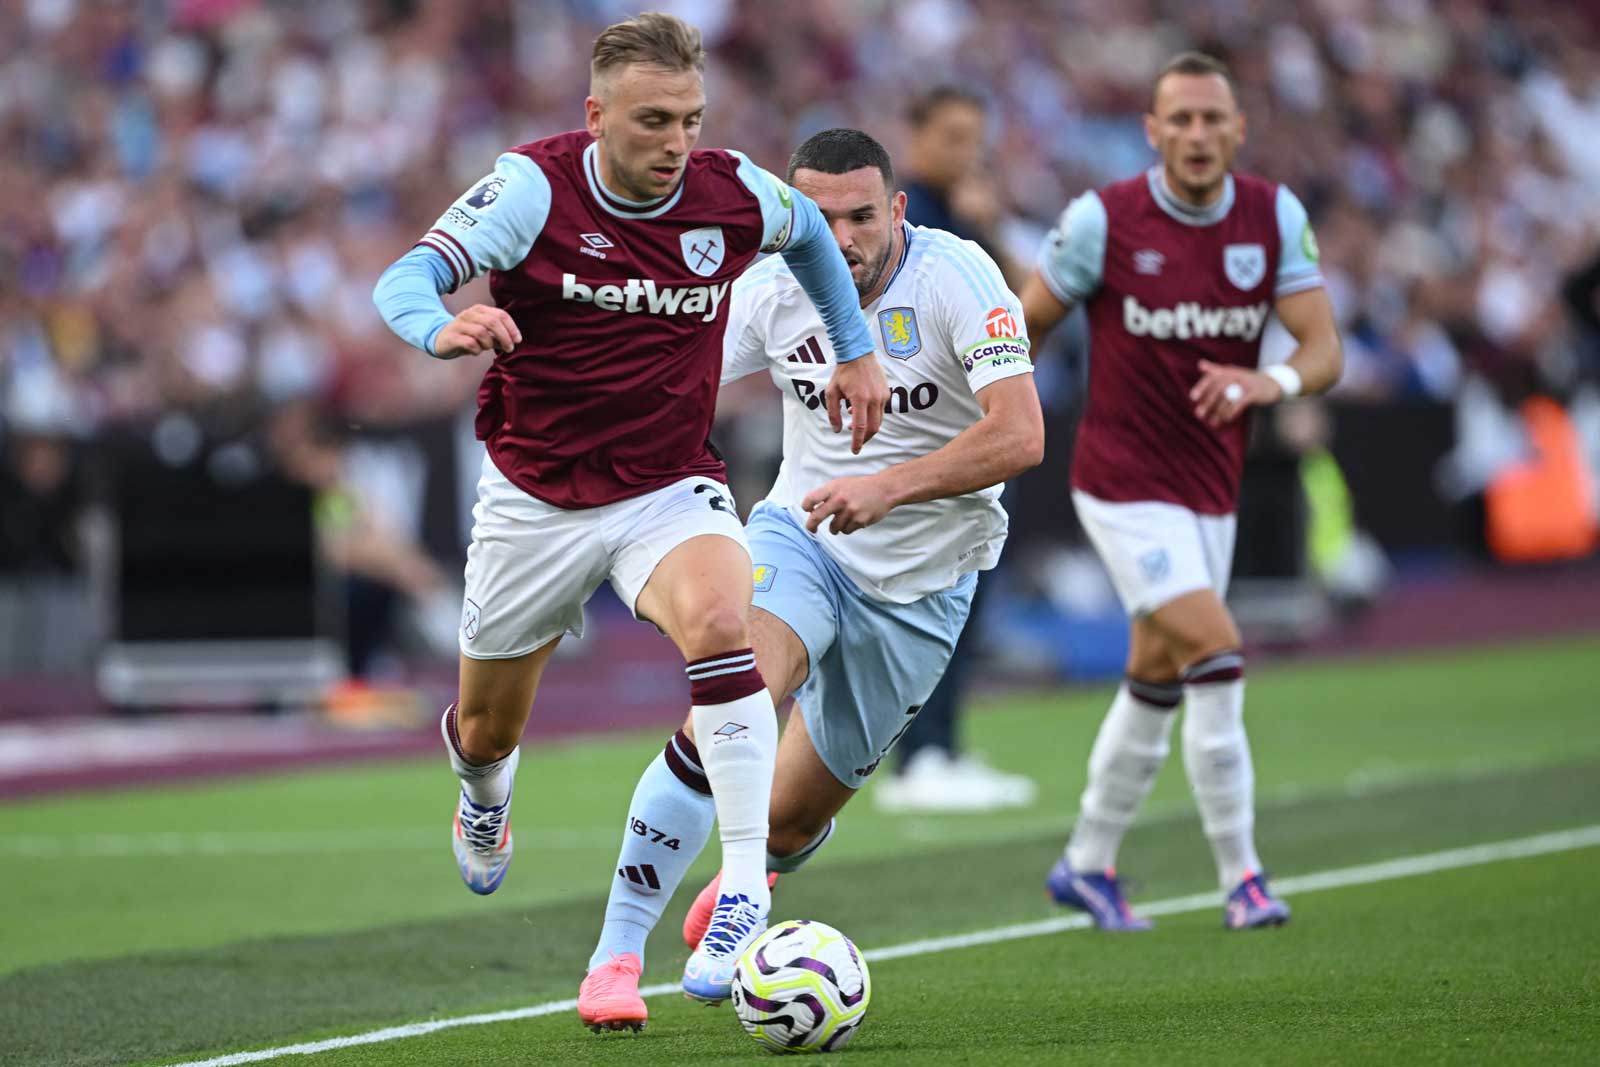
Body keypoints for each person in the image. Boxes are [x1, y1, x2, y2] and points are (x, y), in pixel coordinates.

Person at [370, 8, 889, 1011]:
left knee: (721, 620)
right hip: (536, 494)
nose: (675, 143)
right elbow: (406, 276)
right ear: (596, 112)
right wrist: (441, 327)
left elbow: (815, 241)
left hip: (666, 483)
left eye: (690, 119)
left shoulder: (731, 191)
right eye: (653, 120)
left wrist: (855, 345)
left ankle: (741, 883)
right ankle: (483, 797)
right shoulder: (530, 188)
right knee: (485, 725)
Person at [577, 127, 1042, 1028]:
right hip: (803, 536)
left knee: (788, 820)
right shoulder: (772, 290)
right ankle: (615, 958)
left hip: (921, 588)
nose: (843, 237)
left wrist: (888, 487)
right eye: (819, 219)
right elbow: (668, 378)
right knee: (731, 696)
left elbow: (1021, 435)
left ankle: (757, 868)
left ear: (897, 210)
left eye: (862, 215)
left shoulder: (959, 278)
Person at [1019, 52, 1343, 931]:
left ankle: (1086, 862)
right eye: (1181, 120)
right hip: (1120, 482)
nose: (1198, 135)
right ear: (1152, 130)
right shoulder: (1101, 221)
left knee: (1155, 675)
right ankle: (1241, 875)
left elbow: (1322, 350)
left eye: (1213, 119)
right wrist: (986, 430)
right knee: (1216, 647)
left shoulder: (1273, 217)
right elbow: (1021, 327)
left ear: (1238, 129)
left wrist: (1263, 384)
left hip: (1211, 486)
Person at [873, 83, 1037, 814]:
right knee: (926, 598)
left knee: (965, 596)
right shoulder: (896, 220)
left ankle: (940, 746)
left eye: (974, 137)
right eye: (951, 136)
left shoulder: (969, 220)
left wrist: (994, 228)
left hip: (976, 438)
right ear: (913, 135)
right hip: (916, 437)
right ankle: (921, 754)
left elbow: (1030, 314)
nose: (965, 152)